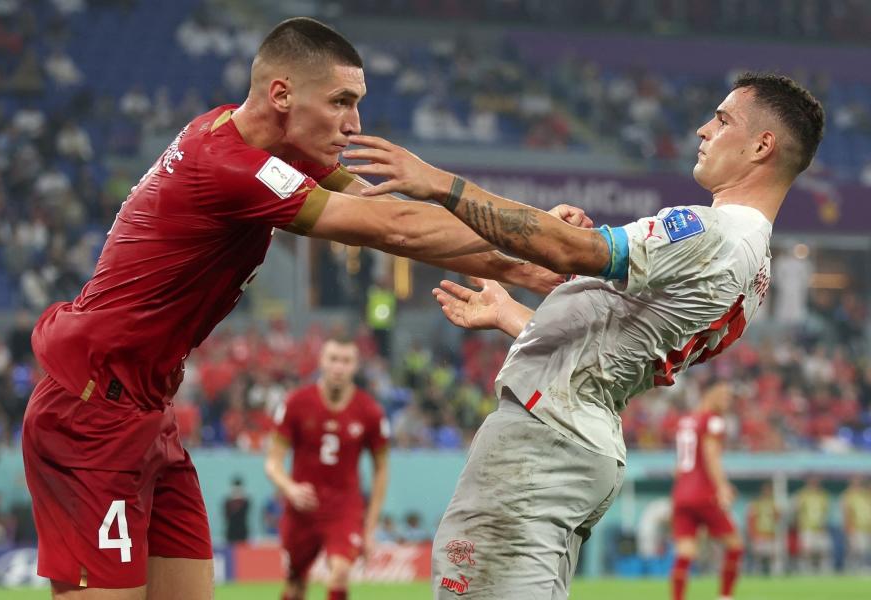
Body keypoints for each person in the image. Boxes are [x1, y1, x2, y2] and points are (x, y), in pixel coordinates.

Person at [21, 17, 582, 600]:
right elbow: (393, 228)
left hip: (146, 410)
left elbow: (372, 202)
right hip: (91, 410)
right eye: (341, 101)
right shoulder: (230, 167)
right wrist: (530, 257)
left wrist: (529, 236)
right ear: (281, 94)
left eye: (357, 103)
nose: (355, 124)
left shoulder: (255, 143)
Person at [344, 72, 824, 598]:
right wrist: (512, 316)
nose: (703, 129)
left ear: (762, 145)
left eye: (723, 119)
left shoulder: (714, 232)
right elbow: (613, 344)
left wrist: (440, 183)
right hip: (580, 435)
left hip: (543, 440)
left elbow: (570, 252)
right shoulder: (755, 272)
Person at [265, 336, 389, 600]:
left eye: (346, 361)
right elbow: (272, 462)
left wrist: (370, 526)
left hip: (344, 509)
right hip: (302, 509)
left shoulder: (370, 412)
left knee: (340, 572)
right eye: (333, 359)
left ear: (355, 365)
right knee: (295, 585)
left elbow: (381, 469)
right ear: (322, 361)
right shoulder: (296, 403)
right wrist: (290, 488)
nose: (338, 367)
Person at [669, 382, 742, 600]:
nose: (728, 402)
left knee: (686, 552)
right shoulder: (714, 421)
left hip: (681, 494)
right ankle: (725, 597)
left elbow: (680, 465)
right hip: (704, 493)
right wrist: (723, 487)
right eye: (725, 396)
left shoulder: (686, 421)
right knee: (735, 545)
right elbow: (711, 456)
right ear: (711, 393)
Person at [794, 476, 832, 573]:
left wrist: (824, 524)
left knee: (823, 550)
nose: (814, 484)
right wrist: (799, 524)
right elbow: (798, 510)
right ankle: (805, 569)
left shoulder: (823, 495)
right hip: (807, 527)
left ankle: (823, 569)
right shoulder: (802, 494)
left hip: (820, 527)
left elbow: (826, 511)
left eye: (816, 482)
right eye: (812, 482)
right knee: (807, 550)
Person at [746, 481, 781, 575]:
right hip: (759, 533)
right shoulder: (756, 503)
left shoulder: (774, 503)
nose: (767, 492)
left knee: (772, 555)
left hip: (771, 533)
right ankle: (758, 573)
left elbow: (778, 518)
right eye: (766, 490)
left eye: (769, 490)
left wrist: (777, 513)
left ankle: (773, 574)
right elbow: (750, 518)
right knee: (759, 556)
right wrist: (753, 534)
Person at [841, 475, 871, 572]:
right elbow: (846, 512)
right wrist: (848, 525)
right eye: (855, 482)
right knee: (856, 548)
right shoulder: (848, 495)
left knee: (865, 548)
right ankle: (852, 566)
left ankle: (863, 566)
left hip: (866, 526)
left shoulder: (865, 495)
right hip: (855, 526)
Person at [223, 477, 250, 544]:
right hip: (231, 532)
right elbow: (227, 516)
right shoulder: (228, 502)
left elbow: (244, 514)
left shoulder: (246, 501)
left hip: (242, 532)